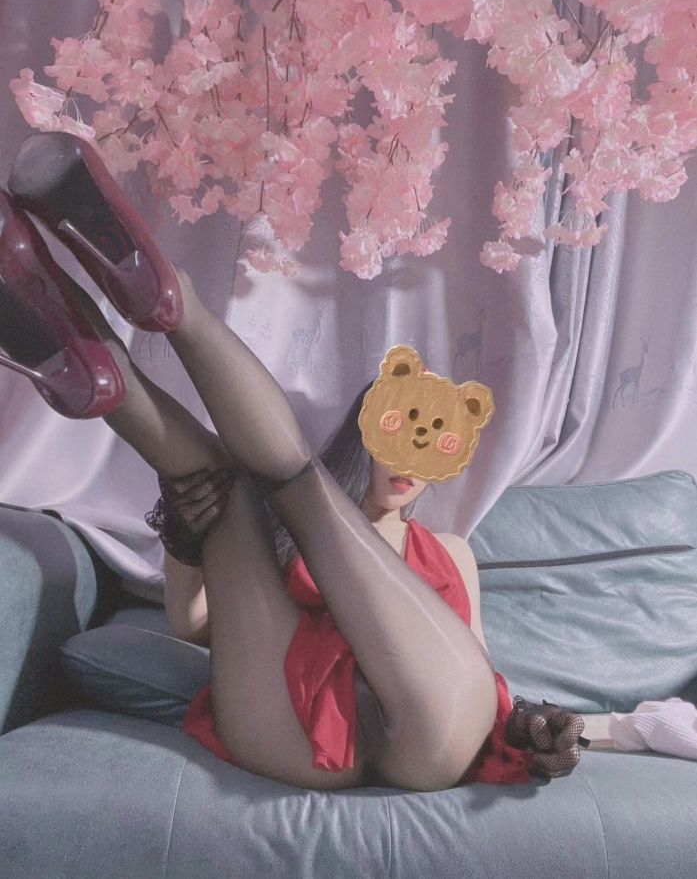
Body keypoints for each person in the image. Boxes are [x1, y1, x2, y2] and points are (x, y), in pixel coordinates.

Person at [0, 130, 585, 793]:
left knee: (271, 479)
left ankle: (158, 309)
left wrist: (532, 723)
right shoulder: (285, 534)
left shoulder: (451, 551)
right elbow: (193, 626)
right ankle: (98, 359)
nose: (408, 463)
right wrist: (185, 539)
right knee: (248, 486)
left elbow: (470, 666)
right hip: (293, 713)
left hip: (417, 731)